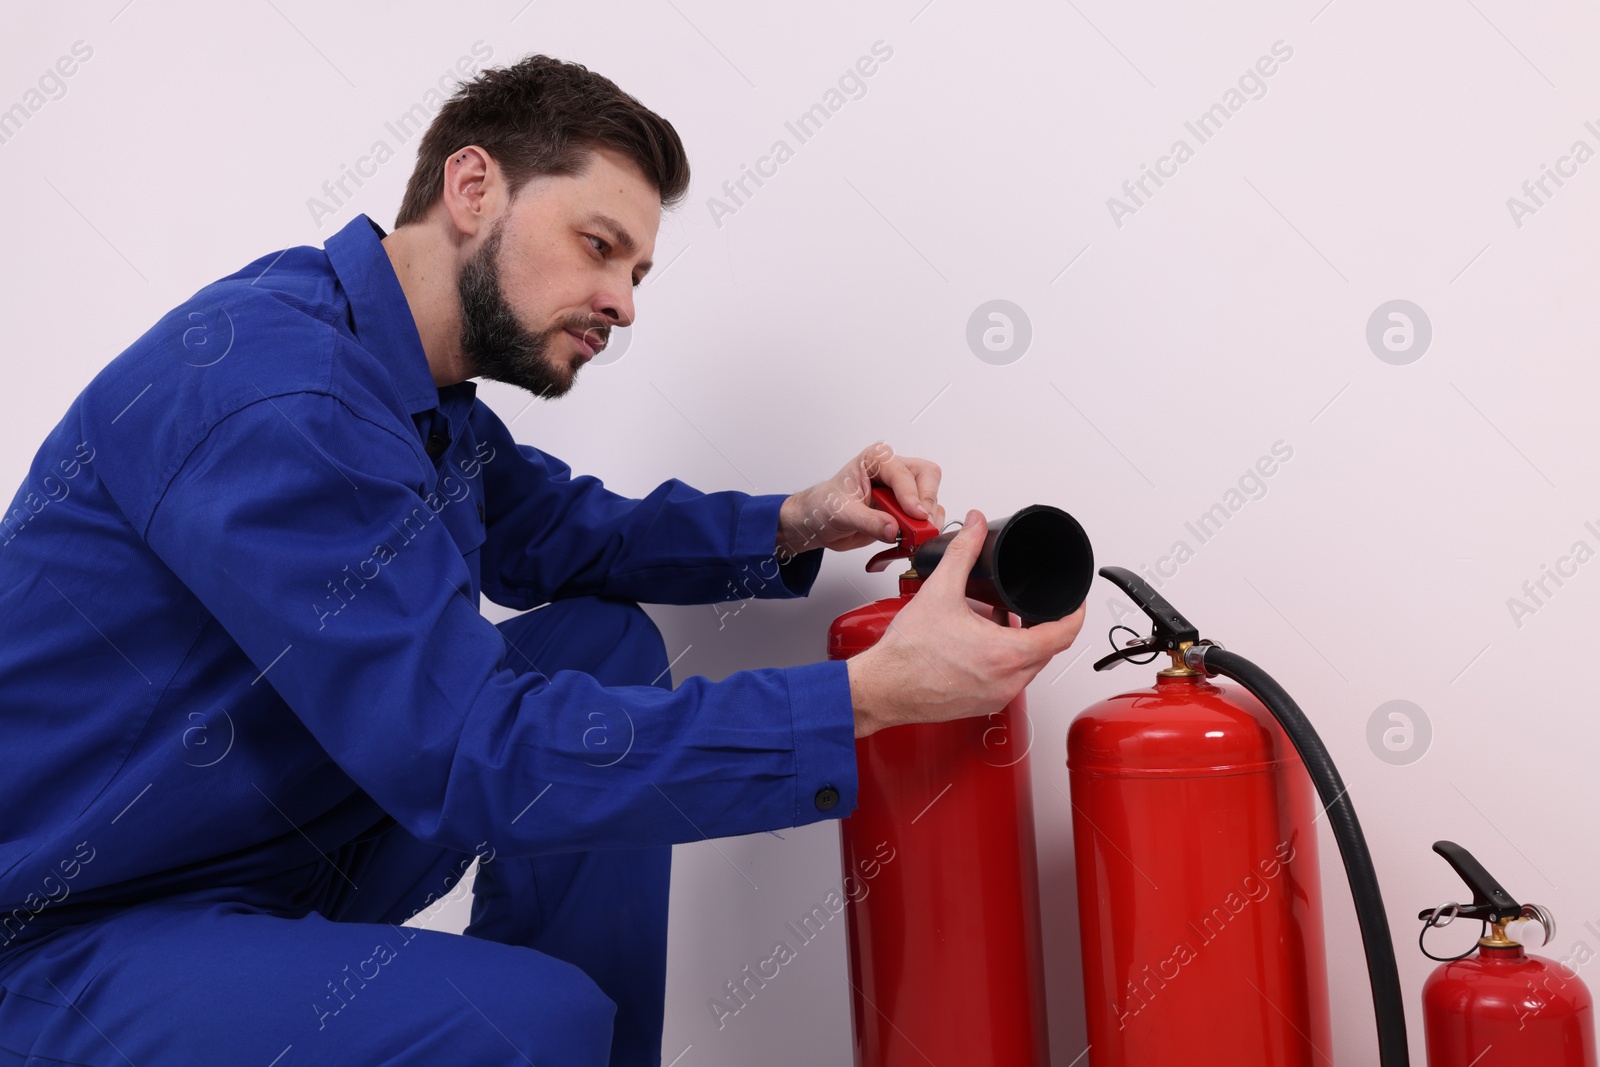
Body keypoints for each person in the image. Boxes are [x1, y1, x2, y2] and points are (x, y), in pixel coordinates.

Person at [0, 54, 1085, 1066]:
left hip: (249, 848)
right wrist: (861, 697)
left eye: (638, 270)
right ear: (472, 187)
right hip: (67, 929)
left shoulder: (408, 385)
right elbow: (471, 748)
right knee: (536, 1019)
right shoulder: (277, 392)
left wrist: (799, 518)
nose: (623, 301)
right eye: (599, 246)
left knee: (602, 639)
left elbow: (561, 533)